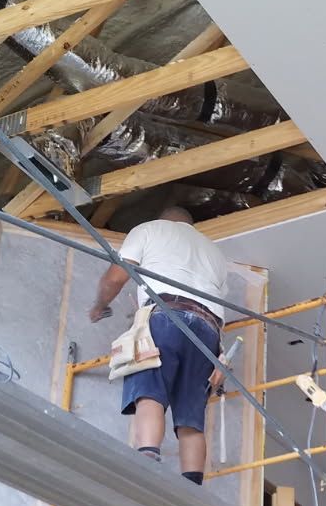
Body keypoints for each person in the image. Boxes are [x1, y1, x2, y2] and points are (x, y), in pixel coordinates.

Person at [88, 206, 229, 485]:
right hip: (208, 331)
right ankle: (192, 485)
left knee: (150, 389)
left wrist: (100, 305)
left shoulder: (148, 230)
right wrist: (220, 356)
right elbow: (218, 302)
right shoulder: (215, 253)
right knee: (191, 413)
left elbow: (115, 278)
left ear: (163, 219)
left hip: (165, 315)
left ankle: (147, 458)